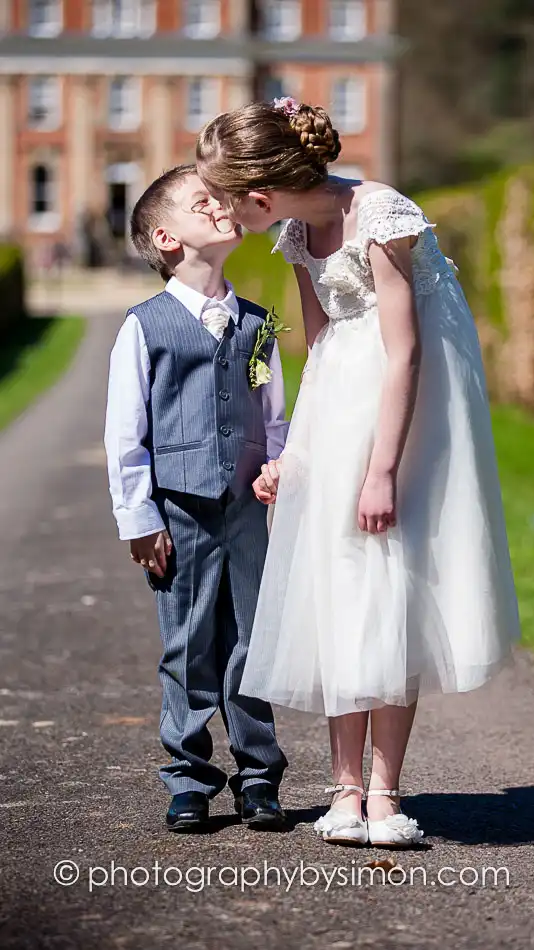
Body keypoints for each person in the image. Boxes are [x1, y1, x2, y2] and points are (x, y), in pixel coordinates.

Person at [196, 99, 521, 850]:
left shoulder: (379, 212)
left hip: (408, 414)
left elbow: (402, 350)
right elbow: (318, 349)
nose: (218, 209)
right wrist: (295, 455)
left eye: (223, 195)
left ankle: (384, 791)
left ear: (261, 191)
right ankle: (343, 789)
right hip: (340, 405)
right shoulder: (294, 232)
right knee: (340, 585)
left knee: (392, 581)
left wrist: (382, 472)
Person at [104, 164, 289, 833]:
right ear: (166, 236)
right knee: (188, 646)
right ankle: (188, 778)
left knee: (251, 641)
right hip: (177, 511)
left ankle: (259, 776)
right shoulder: (144, 327)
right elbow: (125, 432)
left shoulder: (259, 326)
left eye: (220, 199)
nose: (219, 207)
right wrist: (138, 517)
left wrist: (276, 467)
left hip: (245, 507)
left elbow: (272, 412)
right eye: (200, 201)